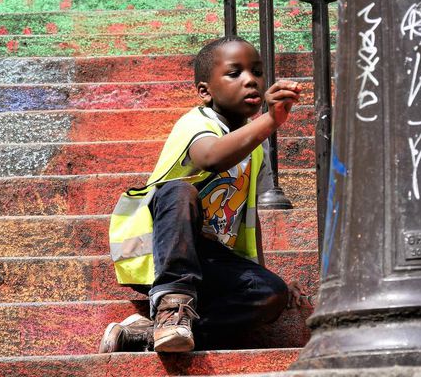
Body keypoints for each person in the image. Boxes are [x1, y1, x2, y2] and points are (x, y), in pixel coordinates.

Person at [100, 36, 307, 354]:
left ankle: (144, 336)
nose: (250, 80)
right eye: (235, 73)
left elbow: (246, 219)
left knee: (270, 294)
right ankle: (171, 306)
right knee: (179, 190)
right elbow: (211, 157)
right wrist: (270, 119)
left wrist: (263, 275)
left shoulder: (255, 148)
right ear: (205, 91)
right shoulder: (195, 122)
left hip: (208, 261)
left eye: (257, 72)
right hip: (160, 252)